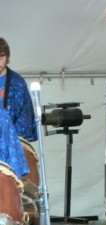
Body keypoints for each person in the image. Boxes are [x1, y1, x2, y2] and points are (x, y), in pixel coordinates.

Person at [0, 37, 37, 178]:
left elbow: (25, 114)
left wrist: (14, 137)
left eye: (1, 57)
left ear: (7, 57)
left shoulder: (17, 82)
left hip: (11, 141)